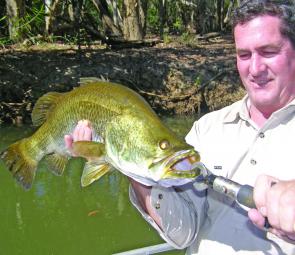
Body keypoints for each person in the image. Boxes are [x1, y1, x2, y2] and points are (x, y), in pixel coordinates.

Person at [65, 0, 295, 254]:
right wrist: (127, 162)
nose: (254, 68)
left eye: (269, 52)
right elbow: (184, 232)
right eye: (244, 55)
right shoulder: (206, 129)